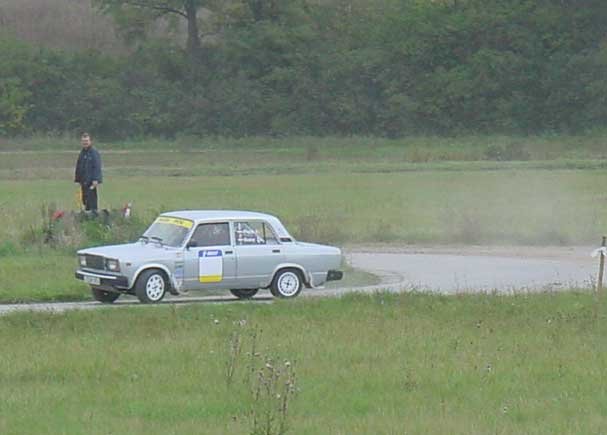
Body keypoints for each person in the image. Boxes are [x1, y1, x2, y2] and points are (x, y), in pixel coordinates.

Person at [74, 132, 103, 215]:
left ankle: (94, 217)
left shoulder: (94, 153)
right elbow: (79, 166)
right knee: (85, 201)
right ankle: (87, 217)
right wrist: (77, 180)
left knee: (92, 202)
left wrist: (96, 179)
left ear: (90, 141)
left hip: (91, 183)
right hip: (84, 182)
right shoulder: (82, 153)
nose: (85, 143)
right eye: (83, 141)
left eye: (86, 141)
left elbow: (97, 166)